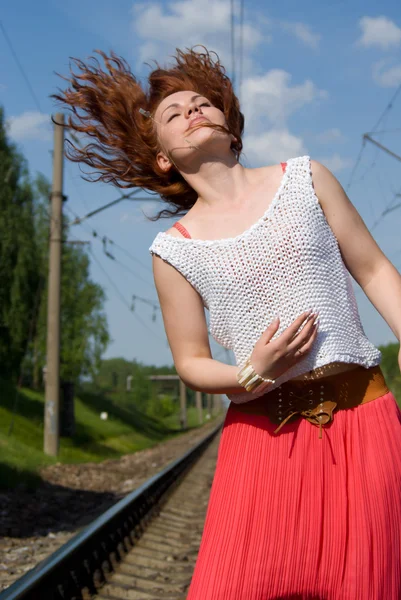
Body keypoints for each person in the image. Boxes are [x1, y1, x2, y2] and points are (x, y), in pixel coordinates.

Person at [53, 46, 401, 599]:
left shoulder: (307, 179)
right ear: (164, 157)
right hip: (262, 437)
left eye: (201, 103)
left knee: (366, 583)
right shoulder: (175, 250)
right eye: (174, 114)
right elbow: (190, 362)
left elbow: (376, 268)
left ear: (229, 127)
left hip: (364, 421)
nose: (193, 110)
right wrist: (251, 372)